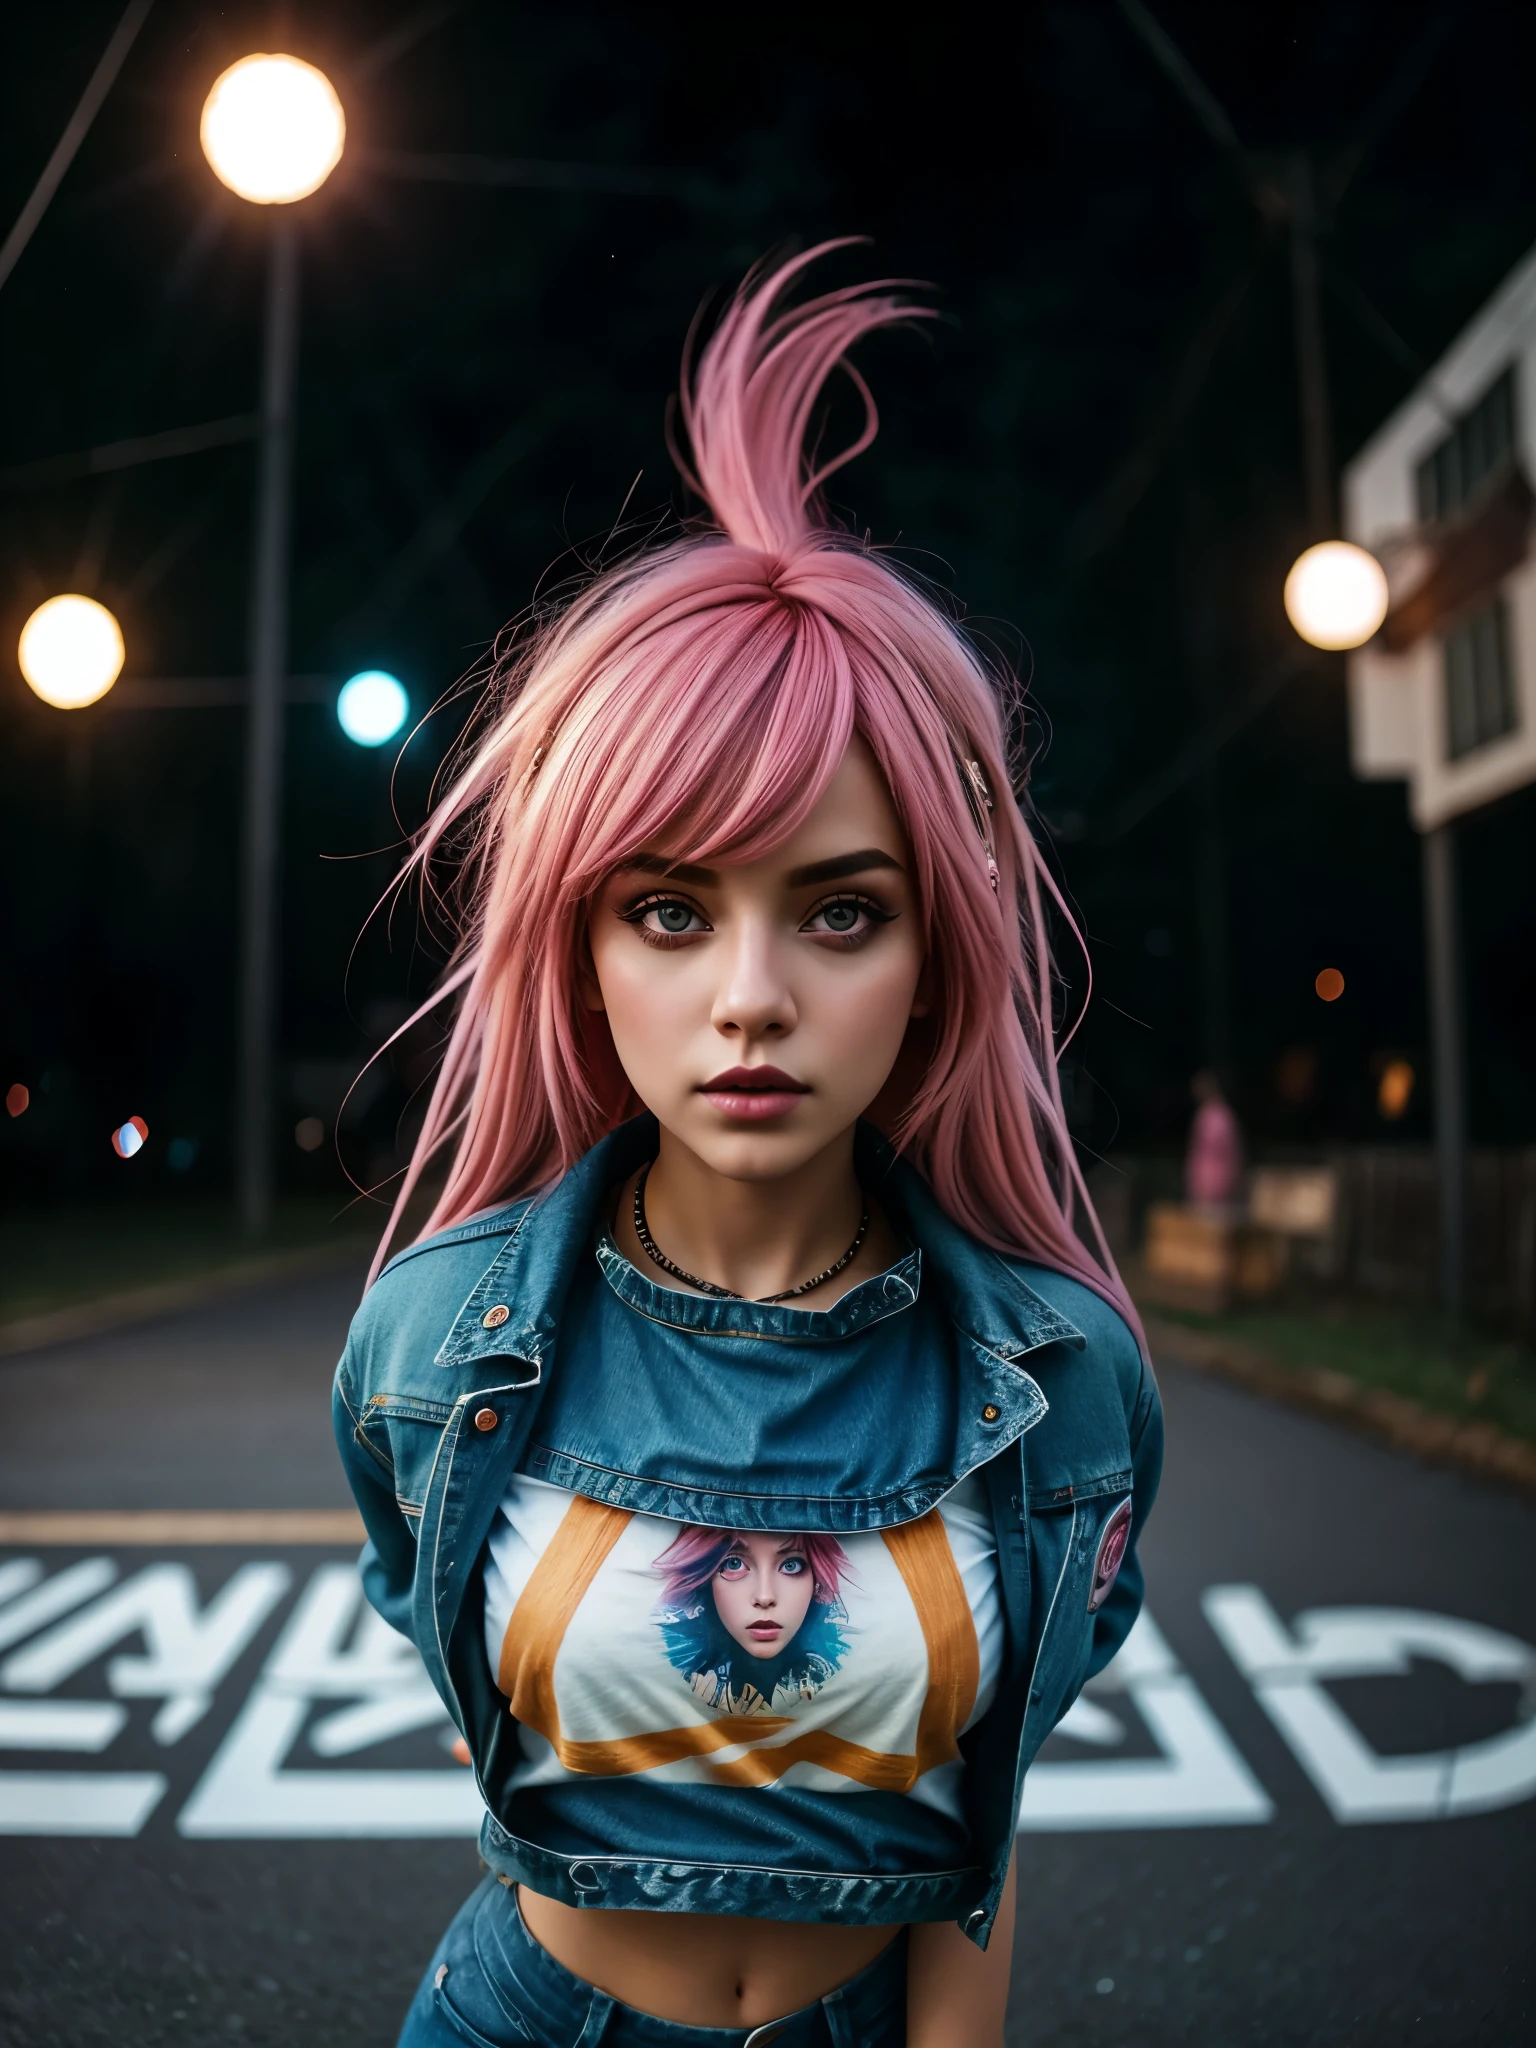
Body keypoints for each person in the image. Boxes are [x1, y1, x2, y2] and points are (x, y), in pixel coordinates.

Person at [334, 246, 1163, 2048]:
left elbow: (981, 1817)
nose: (752, 999)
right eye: (670, 908)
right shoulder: (427, 1349)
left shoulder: (1065, 1379)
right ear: (578, 938)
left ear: (939, 946)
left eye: (842, 913)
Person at [1185, 1069, 1244, 1211]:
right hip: (1208, 1180)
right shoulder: (1211, 1113)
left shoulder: (1217, 1115)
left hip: (1215, 1182)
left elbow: (1222, 1153)